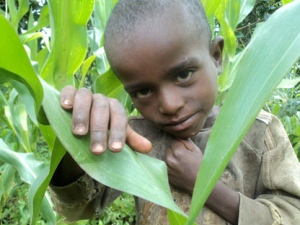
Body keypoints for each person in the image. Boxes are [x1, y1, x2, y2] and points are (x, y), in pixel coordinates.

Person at [49, 0, 300, 224]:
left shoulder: (259, 131)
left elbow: (293, 215)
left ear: (216, 57)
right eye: (144, 91)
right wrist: (75, 137)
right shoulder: (135, 139)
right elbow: (76, 209)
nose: (169, 105)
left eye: (183, 74)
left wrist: (203, 183)